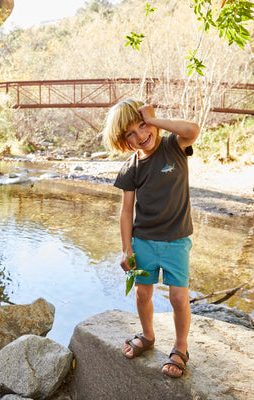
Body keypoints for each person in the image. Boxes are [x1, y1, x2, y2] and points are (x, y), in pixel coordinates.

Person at [103, 98, 200, 378]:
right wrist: (126, 249)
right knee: (142, 292)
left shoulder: (173, 146)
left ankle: (180, 347)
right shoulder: (131, 167)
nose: (140, 136)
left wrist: (155, 120)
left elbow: (192, 130)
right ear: (124, 141)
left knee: (179, 298)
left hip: (176, 241)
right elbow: (125, 212)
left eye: (142, 126)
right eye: (130, 134)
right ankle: (147, 335)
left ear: (151, 121)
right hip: (143, 241)